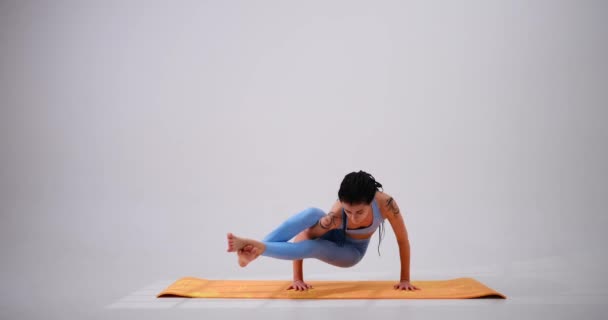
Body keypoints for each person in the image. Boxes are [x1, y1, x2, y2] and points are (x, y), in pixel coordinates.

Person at [226, 170, 420, 291]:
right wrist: (297, 278)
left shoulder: (386, 204)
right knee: (311, 213)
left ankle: (256, 249)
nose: (352, 217)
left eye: (359, 212)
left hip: (350, 252)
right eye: (348, 211)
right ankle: (255, 251)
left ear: (371, 201)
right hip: (333, 234)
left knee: (314, 247)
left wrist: (405, 279)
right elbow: (305, 237)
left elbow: (403, 241)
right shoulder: (335, 214)